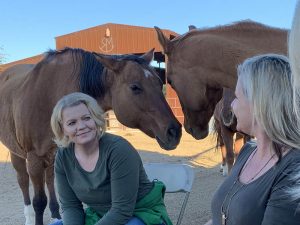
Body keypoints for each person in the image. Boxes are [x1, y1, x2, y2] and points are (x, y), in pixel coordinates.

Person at [204, 54, 300, 225]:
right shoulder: (248, 150)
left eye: (237, 98)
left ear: (259, 103)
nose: (232, 105)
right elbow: (220, 216)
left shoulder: (293, 170)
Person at [50, 92, 172, 225]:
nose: (81, 126)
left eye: (86, 118)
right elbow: (70, 206)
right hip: (100, 216)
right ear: (62, 129)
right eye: (72, 123)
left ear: (95, 118)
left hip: (140, 213)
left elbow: (122, 210)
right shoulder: (63, 157)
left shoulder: (118, 150)